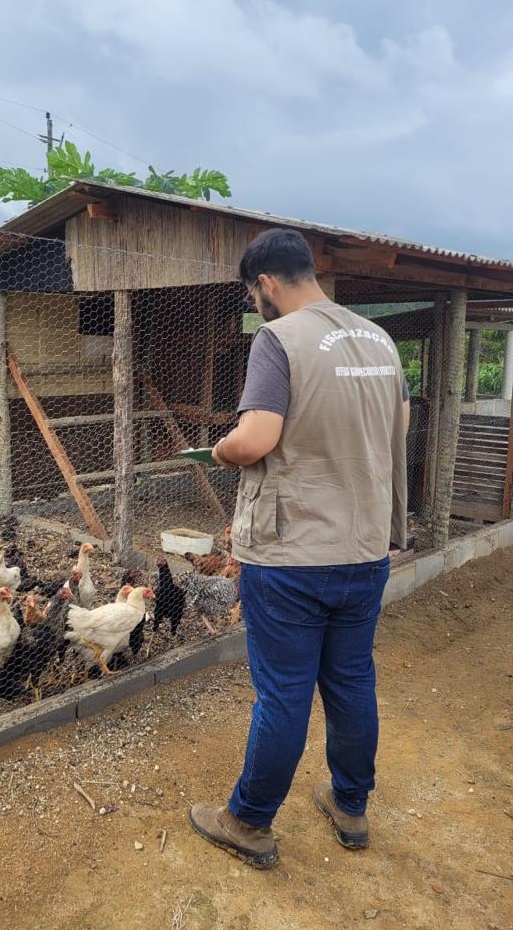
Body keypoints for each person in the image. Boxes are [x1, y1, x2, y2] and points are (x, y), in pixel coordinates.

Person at [189, 228, 409, 869]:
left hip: (292, 554)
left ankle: (249, 822)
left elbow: (255, 438)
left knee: (284, 692)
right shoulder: (378, 339)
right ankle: (349, 805)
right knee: (351, 678)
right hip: (363, 548)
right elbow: (395, 427)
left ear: (265, 284)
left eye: (252, 293)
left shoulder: (278, 338)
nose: (256, 303)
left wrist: (223, 449)